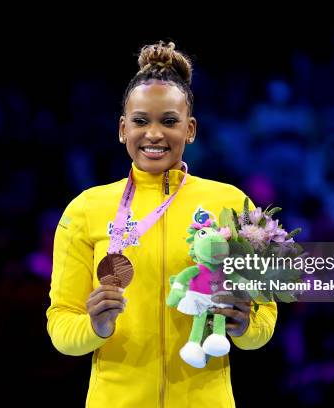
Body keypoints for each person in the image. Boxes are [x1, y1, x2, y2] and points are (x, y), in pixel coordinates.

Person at [46, 40, 277, 407]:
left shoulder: (233, 204)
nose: (154, 133)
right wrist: (96, 327)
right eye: (140, 121)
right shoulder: (86, 209)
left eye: (169, 121)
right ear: (123, 128)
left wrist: (244, 324)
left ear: (191, 129)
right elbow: (61, 326)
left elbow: (264, 321)